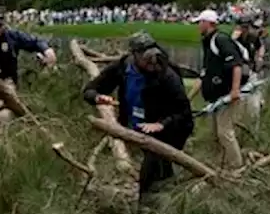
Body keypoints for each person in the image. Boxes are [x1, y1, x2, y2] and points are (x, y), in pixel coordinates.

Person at [83, 32, 194, 199]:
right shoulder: (123, 67)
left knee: (151, 171)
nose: (151, 62)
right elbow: (90, 90)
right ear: (134, 55)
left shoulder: (167, 75)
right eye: (145, 57)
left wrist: (161, 124)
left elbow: (184, 113)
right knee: (161, 171)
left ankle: (147, 208)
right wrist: (98, 97)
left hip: (170, 130)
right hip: (140, 127)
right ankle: (172, 197)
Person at [0, 11, 56, 111]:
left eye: (1, 25)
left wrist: (46, 50)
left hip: (7, 80)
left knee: (10, 108)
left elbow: (34, 42)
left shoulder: (12, 37)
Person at [193, 8, 247, 169]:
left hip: (226, 95)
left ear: (208, 23)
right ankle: (221, 164)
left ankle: (237, 167)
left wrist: (235, 90)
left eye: (200, 23)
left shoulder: (220, 40)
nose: (198, 26)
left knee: (225, 132)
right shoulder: (207, 43)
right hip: (215, 97)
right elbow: (205, 74)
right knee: (217, 133)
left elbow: (236, 64)